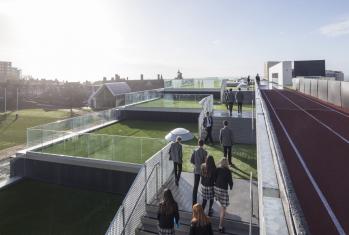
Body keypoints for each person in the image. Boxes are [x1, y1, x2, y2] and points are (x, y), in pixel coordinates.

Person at [214, 158, 233, 233]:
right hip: (223, 190)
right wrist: (231, 187)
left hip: (216, 188)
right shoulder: (228, 171)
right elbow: (230, 181)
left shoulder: (218, 169)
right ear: (227, 163)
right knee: (223, 208)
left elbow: (214, 177)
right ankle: (220, 226)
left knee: (219, 201)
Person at [191, 139, 207, 205]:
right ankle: (204, 202)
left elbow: (191, 160)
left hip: (196, 170)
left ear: (198, 143)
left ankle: (194, 202)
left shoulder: (194, 151)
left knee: (195, 186)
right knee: (204, 186)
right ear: (203, 144)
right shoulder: (205, 152)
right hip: (203, 171)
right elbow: (206, 162)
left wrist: (196, 164)